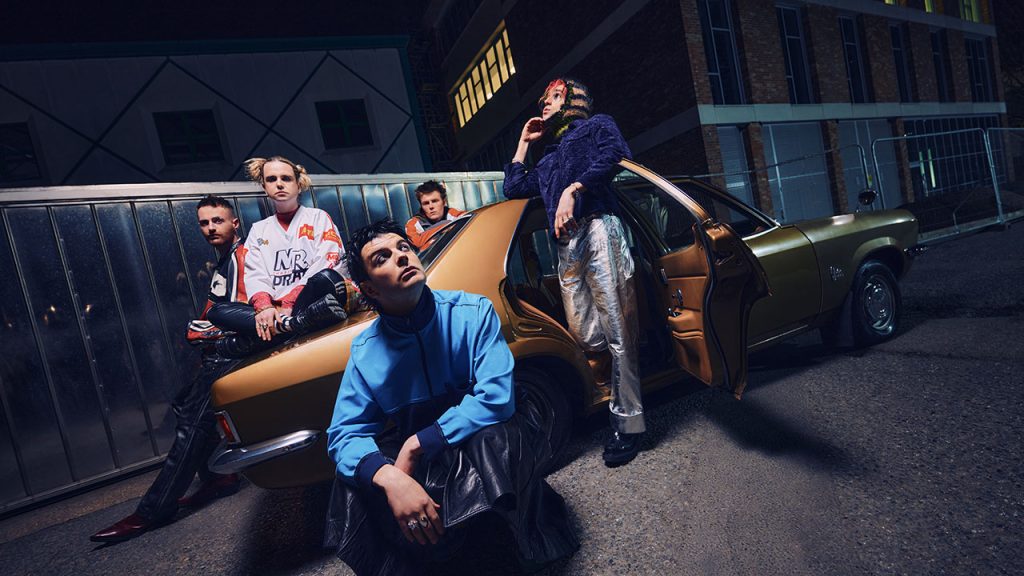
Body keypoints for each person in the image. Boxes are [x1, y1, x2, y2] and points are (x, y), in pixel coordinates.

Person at [323, 219, 578, 575]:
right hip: (431, 455)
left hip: (481, 437)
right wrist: (390, 478)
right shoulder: (366, 351)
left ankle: (508, 548)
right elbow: (343, 435)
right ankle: (429, 554)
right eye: (382, 257)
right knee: (354, 477)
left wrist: (416, 444)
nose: (401, 257)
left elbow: (496, 398)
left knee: (495, 437)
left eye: (403, 248)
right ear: (370, 289)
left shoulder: (472, 313)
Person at [503, 77, 645, 466]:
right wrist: (523, 143)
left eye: (549, 98)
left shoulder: (598, 125)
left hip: (599, 228)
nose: (543, 105)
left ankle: (629, 423)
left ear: (567, 99)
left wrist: (574, 189)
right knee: (585, 333)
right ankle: (610, 393)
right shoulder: (548, 157)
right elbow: (514, 187)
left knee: (618, 331)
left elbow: (617, 153)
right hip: (567, 247)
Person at [91, 195, 247, 543]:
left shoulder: (243, 257)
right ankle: (218, 478)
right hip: (216, 352)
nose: (210, 228)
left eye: (217, 221)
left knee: (190, 425)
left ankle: (154, 511)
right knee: (182, 405)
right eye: (204, 223)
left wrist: (207, 331)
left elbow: (250, 312)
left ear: (234, 223)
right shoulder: (224, 260)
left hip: (232, 353)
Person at [205, 156, 359, 357]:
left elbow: (327, 262)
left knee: (326, 278)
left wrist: (288, 304)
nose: (279, 184)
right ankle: (293, 327)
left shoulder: (317, 217)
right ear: (264, 186)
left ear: (298, 184)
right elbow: (255, 274)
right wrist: (265, 307)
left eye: (286, 178)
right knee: (217, 312)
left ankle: (272, 334)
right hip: (277, 312)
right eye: (271, 179)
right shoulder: (259, 230)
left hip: (310, 298)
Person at [404, 180, 465, 249]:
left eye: (435, 201)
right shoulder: (413, 223)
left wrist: (426, 235)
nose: (431, 206)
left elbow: (470, 220)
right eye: (426, 203)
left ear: (443, 202)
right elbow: (418, 242)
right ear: (421, 205)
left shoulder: (453, 213)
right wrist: (448, 225)